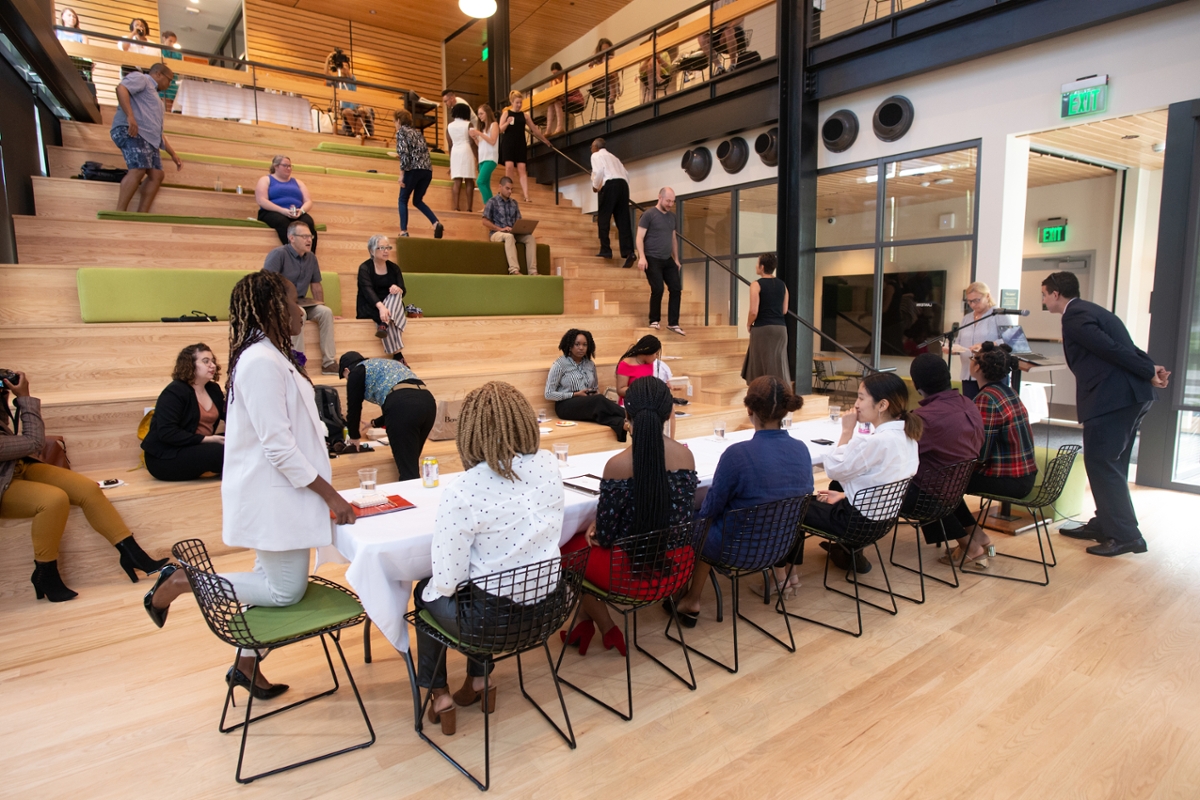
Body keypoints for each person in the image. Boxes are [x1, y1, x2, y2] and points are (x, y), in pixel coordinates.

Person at [145, 272, 356, 699]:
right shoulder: (260, 361)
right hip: (275, 497)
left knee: (267, 580)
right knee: (284, 592)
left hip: (282, 495)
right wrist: (331, 496)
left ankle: (245, 664)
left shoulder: (269, 357)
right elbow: (278, 447)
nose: (302, 310)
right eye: (294, 302)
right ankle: (183, 581)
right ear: (271, 309)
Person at [414, 381, 564, 734]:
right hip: (550, 612)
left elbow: (448, 582)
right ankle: (479, 682)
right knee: (481, 591)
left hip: (493, 624)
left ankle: (439, 694)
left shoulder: (463, 489)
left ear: (469, 431)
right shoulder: (549, 465)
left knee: (427, 592)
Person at [559, 377, 697, 656]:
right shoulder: (686, 457)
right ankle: (584, 625)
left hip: (631, 571)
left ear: (627, 413)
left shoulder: (618, 464)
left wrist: (597, 526)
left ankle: (606, 625)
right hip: (677, 566)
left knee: (568, 549)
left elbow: (606, 537)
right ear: (668, 412)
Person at [1, 372, 168, 602]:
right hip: (3, 482)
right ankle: (45, 573)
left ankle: (133, 554)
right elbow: (34, 442)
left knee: (87, 488)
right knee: (52, 500)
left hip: (15, 465)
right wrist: (25, 398)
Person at [1041, 271, 1170, 557]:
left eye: (1044, 294)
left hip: (1113, 399)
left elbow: (1110, 349)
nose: (1043, 300)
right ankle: (1106, 524)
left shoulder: (1074, 316)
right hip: (1128, 397)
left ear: (1055, 294)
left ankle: (1126, 536)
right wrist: (1149, 369)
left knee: (1102, 463)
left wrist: (1148, 370)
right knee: (1113, 463)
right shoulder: (1091, 310)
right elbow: (1124, 348)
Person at [671, 377, 812, 622]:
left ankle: (690, 598)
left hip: (734, 549)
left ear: (749, 409)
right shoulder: (801, 449)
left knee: (695, 520)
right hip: (779, 546)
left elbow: (710, 511)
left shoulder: (738, 455)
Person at [804, 372, 922, 575]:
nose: (856, 404)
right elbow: (882, 483)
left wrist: (847, 431)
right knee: (835, 490)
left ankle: (785, 578)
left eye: (861, 397)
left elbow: (834, 468)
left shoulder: (876, 441)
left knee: (793, 507)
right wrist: (845, 496)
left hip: (856, 523)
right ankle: (848, 555)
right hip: (882, 521)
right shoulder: (908, 437)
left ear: (882, 405)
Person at [936, 343, 1038, 570]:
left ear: (978, 368)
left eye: (973, 359)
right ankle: (977, 537)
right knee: (947, 481)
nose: (970, 361)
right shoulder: (1008, 392)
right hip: (1023, 476)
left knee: (937, 483)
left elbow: (978, 453)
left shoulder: (986, 400)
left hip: (1010, 480)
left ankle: (970, 544)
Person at [904, 353, 984, 544]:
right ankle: (977, 536)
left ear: (916, 386)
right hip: (957, 485)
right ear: (948, 377)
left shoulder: (925, 418)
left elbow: (895, 452)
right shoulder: (969, 404)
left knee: (869, 484)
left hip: (931, 492)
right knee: (937, 480)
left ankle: (969, 546)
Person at [339, 352, 436, 482]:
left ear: (346, 370)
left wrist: (354, 437)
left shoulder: (356, 372)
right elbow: (402, 400)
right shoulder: (384, 364)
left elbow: (354, 407)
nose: (347, 380)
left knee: (408, 472)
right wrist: (373, 423)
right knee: (410, 462)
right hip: (428, 403)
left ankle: (412, 500)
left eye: (344, 377)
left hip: (403, 407)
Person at [261, 222, 337, 375]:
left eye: (310, 236)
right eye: (304, 236)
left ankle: (329, 363)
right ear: (291, 238)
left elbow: (316, 285)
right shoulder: (279, 254)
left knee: (326, 312)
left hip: (301, 300)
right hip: (280, 302)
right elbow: (265, 283)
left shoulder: (311, 258)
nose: (309, 240)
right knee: (298, 312)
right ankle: (297, 362)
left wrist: (320, 303)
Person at [142, 344, 226, 482]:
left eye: (213, 361)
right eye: (206, 361)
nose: (212, 365)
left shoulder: (213, 389)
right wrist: (209, 439)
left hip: (195, 445)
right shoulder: (175, 392)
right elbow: (167, 433)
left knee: (242, 442)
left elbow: (230, 416)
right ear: (190, 365)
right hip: (166, 456)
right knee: (223, 452)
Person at [110, 63, 182, 213]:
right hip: (132, 131)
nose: (170, 84)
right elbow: (121, 88)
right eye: (169, 80)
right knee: (138, 169)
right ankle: (119, 212)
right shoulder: (142, 78)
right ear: (158, 74)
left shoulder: (156, 97)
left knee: (157, 174)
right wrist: (130, 117)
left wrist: (173, 154)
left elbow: (155, 130)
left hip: (148, 138)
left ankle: (142, 214)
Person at [545, 329, 628, 441]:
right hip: (565, 406)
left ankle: (623, 423)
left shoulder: (590, 364)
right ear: (570, 346)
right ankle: (628, 413)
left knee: (599, 410)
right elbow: (548, 394)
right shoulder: (560, 364)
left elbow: (595, 387)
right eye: (577, 344)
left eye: (585, 345)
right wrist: (574, 394)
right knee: (598, 400)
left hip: (588, 403)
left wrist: (594, 393)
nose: (581, 348)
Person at [947, 281, 1012, 400]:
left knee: (990, 409)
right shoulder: (967, 318)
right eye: (970, 301)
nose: (973, 305)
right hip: (969, 371)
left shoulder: (1000, 315)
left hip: (991, 372)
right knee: (972, 409)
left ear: (987, 296)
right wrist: (953, 348)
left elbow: (1011, 341)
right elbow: (960, 341)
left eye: (977, 300)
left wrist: (988, 345)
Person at [636, 187, 685, 336]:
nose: (670, 204)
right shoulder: (649, 215)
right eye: (668, 200)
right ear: (660, 197)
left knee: (676, 288)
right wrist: (642, 257)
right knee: (658, 288)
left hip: (667, 258)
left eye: (672, 201)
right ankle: (654, 320)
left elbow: (673, 239)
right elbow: (639, 237)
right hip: (651, 257)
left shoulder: (672, 217)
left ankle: (673, 323)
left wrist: (676, 259)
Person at [394, 109, 443, 239]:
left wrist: (401, 175)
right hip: (427, 170)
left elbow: (405, 155)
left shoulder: (401, 132)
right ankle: (435, 223)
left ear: (398, 121)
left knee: (403, 199)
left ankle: (403, 231)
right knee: (417, 200)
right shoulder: (418, 133)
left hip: (413, 170)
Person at [742, 252, 790, 385]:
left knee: (759, 363)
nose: (756, 266)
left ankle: (762, 391)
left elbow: (753, 311)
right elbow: (784, 310)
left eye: (757, 264)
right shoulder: (783, 286)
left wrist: (748, 323)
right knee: (778, 363)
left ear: (762, 267)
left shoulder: (756, 285)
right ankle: (780, 390)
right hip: (780, 329)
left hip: (763, 328)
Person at [355, 235, 407, 356]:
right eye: (381, 248)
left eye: (388, 247)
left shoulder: (394, 268)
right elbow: (368, 292)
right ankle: (398, 355)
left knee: (396, 296)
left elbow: (403, 290)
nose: (386, 251)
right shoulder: (365, 268)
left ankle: (384, 324)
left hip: (391, 307)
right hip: (371, 306)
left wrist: (398, 289)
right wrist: (381, 307)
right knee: (389, 314)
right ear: (371, 251)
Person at [255, 155, 318, 252]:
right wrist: (282, 211)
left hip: (296, 212)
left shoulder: (298, 182)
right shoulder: (266, 179)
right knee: (283, 223)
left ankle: (309, 257)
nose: (289, 168)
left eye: (290, 166)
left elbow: (308, 201)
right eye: (285, 166)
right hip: (272, 212)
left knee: (308, 223)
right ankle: (293, 255)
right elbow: (262, 200)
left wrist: (301, 211)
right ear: (276, 166)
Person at [590, 138, 635, 266]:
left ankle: (606, 250)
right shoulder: (614, 157)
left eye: (591, 147)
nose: (591, 149)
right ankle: (629, 252)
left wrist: (595, 186)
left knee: (604, 218)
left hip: (610, 185)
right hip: (623, 185)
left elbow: (598, 172)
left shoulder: (596, 155)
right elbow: (626, 174)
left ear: (595, 146)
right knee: (623, 220)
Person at [499, 90, 550, 203]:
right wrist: (507, 122)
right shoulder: (506, 113)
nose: (519, 105)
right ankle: (508, 191)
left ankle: (526, 195)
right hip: (508, 143)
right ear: (512, 102)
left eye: (520, 102)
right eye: (517, 102)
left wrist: (544, 140)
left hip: (520, 143)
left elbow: (534, 129)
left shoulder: (525, 116)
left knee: (522, 169)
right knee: (509, 167)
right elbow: (499, 129)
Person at [482, 176, 538, 275]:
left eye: (511, 189)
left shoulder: (514, 203)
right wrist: (500, 229)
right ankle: (514, 270)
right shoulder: (492, 202)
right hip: (496, 233)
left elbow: (519, 220)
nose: (510, 191)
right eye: (507, 188)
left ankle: (532, 271)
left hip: (512, 232)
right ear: (500, 187)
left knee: (530, 238)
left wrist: (521, 228)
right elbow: (484, 221)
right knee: (509, 237)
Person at [615, 335, 661, 405]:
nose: (656, 357)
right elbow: (620, 390)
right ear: (648, 352)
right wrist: (640, 390)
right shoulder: (625, 364)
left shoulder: (650, 363)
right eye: (656, 354)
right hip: (630, 404)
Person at [447, 104, 477, 213]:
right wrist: (477, 158)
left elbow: (450, 144)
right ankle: (469, 208)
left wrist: (451, 162)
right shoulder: (468, 124)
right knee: (469, 180)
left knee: (457, 181)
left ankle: (456, 207)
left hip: (455, 151)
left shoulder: (449, 126)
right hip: (466, 149)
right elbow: (473, 142)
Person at [469, 104, 500, 203]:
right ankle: (490, 205)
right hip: (483, 158)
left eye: (481, 113)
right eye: (478, 114)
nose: (480, 116)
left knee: (480, 181)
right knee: (485, 183)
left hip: (490, 158)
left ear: (487, 113)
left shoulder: (494, 125)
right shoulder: (483, 129)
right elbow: (481, 145)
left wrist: (478, 133)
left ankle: (489, 206)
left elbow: (492, 141)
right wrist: (474, 138)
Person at [441, 89, 477, 162]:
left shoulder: (461, 105)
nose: (445, 104)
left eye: (446, 101)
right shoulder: (454, 105)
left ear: (451, 98)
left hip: (473, 126)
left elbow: (465, 121)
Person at [159, 31, 181, 112]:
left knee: (173, 104)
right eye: (170, 41)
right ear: (164, 39)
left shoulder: (177, 53)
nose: (172, 44)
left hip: (173, 81)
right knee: (164, 102)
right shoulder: (159, 50)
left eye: (174, 42)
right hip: (163, 80)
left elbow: (179, 68)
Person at [545, 63, 566, 137]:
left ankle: (560, 127)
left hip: (571, 96)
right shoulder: (553, 80)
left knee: (557, 103)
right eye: (553, 74)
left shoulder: (565, 75)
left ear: (560, 71)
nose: (555, 75)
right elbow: (553, 91)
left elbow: (565, 90)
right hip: (560, 98)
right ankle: (548, 130)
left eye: (556, 73)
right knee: (550, 105)